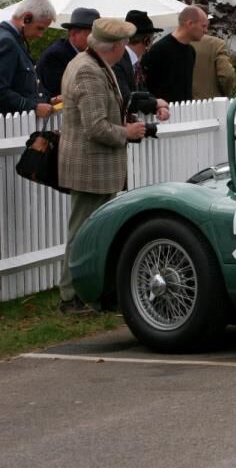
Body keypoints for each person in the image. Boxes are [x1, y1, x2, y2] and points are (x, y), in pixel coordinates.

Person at [57, 18, 146, 313]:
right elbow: (95, 127)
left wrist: (122, 123)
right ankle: (71, 296)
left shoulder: (92, 63)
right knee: (82, 232)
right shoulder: (88, 70)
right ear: (118, 46)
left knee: (90, 232)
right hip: (89, 168)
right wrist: (126, 133)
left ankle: (87, 292)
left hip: (96, 167)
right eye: (124, 44)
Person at [142, 5, 208, 102]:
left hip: (186, 111)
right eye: (203, 26)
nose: (206, 31)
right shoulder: (159, 50)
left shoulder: (191, 51)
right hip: (162, 113)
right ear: (190, 24)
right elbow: (146, 85)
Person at [36, 7, 99, 99]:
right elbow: (61, 91)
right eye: (91, 35)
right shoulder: (55, 56)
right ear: (73, 34)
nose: (96, 40)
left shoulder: (87, 53)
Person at [114, 10, 161, 103]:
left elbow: (142, 92)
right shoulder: (118, 61)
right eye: (153, 38)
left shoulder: (135, 62)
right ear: (147, 40)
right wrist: (155, 103)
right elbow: (126, 96)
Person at [192, 32, 236, 100]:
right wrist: (226, 95)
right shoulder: (216, 44)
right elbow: (227, 75)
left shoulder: (172, 42)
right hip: (212, 103)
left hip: (176, 106)